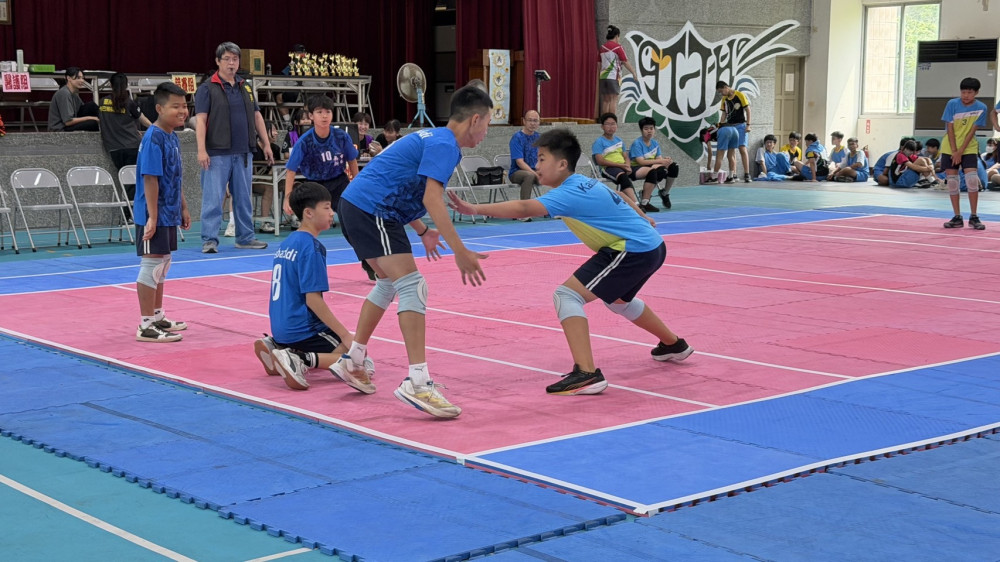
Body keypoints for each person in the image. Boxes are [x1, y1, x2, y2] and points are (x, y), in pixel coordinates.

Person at [447, 129, 693, 395]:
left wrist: (475, 208)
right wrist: (641, 216)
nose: (536, 165)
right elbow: (621, 196)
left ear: (562, 164)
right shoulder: (584, 182)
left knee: (566, 296)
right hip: (651, 246)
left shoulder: (568, 192)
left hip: (631, 249)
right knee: (619, 301)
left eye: (542, 159)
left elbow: (524, 208)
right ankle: (673, 345)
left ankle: (586, 373)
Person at [329, 84, 493, 419]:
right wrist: (460, 250)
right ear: (475, 119)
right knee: (413, 286)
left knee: (389, 283)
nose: (486, 132)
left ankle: (353, 360)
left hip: (359, 206)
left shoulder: (437, 139)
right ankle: (418, 382)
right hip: (372, 210)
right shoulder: (445, 144)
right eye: (488, 124)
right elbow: (432, 199)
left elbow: (402, 184)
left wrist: (422, 230)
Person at [253, 182, 373, 391]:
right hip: (302, 329)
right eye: (326, 207)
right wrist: (345, 335)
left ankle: (278, 345)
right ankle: (299, 358)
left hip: (281, 326)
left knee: (349, 351)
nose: (332, 212)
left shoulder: (288, 242)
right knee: (358, 357)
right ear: (308, 213)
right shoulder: (312, 247)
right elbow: (313, 299)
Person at [195, 41, 273, 253]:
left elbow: (257, 116)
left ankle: (245, 238)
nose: (231, 63)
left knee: (243, 198)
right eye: (227, 59)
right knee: (213, 198)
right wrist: (201, 150)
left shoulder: (245, 86)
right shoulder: (207, 88)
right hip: (216, 152)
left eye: (235, 59)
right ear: (217, 61)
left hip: (243, 152)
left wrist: (266, 144)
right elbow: (201, 120)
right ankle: (209, 240)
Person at [132, 82, 191, 342]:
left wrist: (183, 207)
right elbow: (150, 178)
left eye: (184, 106)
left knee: (163, 264)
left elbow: (174, 177)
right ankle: (146, 325)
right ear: (159, 108)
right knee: (152, 264)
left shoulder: (172, 136)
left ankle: (157, 316)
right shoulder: (153, 137)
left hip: (168, 211)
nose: (182, 111)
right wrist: (152, 217)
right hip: (152, 212)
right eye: (175, 106)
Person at [282, 95, 359, 229]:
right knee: (312, 222)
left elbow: (352, 160)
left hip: (339, 182)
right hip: (314, 185)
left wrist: (357, 184)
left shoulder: (341, 136)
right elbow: (291, 170)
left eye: (328, 112)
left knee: (352, 213)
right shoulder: (304, 141)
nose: (324, 116)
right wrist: (287, 197)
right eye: (319, 112)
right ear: (311, 116)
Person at [99, 72, 153, 220]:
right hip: (132, 146)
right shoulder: (129, 102)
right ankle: (129, 215)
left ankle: (129, 214)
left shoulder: (102, 102)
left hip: (113, 149)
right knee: (132, 183)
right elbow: (143, 120)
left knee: (127, 182)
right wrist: (156, 129)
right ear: (126, 85)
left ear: (111, 85)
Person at [941, 77, 988, 230]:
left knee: (972, 180)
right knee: (952, 182)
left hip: (969, 147)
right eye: (963, 92)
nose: (966, 95)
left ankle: (974, 216)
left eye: (969, 92)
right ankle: (957, 217)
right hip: (949, 147)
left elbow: (972, 131)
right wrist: (954, 151)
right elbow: (950, 128)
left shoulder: (981, 108)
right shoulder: (952, 104)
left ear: (976, 93)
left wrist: (960, 151)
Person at [629, 116, 678, 210]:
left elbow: (659, 158)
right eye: (646, 129)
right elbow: (640, 161)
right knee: (661, 170)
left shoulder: (655, 143)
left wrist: (666, 160)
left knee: (674, 166)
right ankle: (645, 199)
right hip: (638, 167)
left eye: (651, 128)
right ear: (641, 130)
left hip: (652, 165)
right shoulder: (637, 143)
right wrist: (660, 161)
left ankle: (664, 193)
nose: (649, 131)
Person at [592, 112, 637, 201]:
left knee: (651, 173)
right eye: (607, 124)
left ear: (617, 126)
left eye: (613, 124)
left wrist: (628, 166)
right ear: (602, 127)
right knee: (623, 177)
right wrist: (621, 166)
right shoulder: (599, 142)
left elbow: (626, 156)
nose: (611, 127)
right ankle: (635, 203)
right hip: (608, 168)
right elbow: (600, 161)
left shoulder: (619, 140)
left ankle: (644, 201)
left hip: (623, 167)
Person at [715, 81, 752, 182]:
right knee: (732, 150)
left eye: (721, 91)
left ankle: (747, 174)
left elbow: (748, 110)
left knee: (742, 148)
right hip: (730, 126)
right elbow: (724, 114)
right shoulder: (724, 99)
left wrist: (748, 125)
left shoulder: (739, 95)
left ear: (726, 87)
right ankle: (733, 174)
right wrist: (720, 126)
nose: (721, 94)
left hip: (741, 125)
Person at [598, 25, 636, 116]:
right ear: (616, 36)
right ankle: (612, 121)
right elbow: (625, 61)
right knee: (613, 100)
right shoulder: (618, 47)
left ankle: (605, 121)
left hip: (603, 77)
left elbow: (598, 64)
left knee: (606, 100)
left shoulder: (602, 48)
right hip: (614, 76)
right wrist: (634, 73)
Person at [508, 109, 542, 212]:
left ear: (539, 122)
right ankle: (524, 211)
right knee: (529, 176)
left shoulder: (539, 138)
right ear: (524, 121)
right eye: (530, 120)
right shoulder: (517, 138)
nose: (532, 123)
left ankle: (554, 208)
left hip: (535, 170)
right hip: (518, 172)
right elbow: (519, 162)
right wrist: (535, 173)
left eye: (535, 121)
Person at [48, 67, 100, 132]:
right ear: (68, 78)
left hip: (68, 124)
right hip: (61, 128)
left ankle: (107, 119)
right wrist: (91, 118)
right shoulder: (64, 93)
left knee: (91, 106)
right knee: (92, 124)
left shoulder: (74, 94)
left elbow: (84, 109)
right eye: (78, 78)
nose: (82, 81)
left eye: (82, 78)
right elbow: (68, 122)